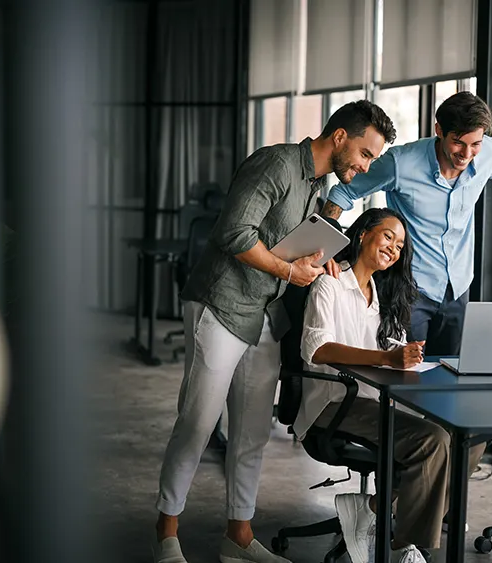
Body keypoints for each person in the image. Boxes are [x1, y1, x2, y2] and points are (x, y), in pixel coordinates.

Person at [153, 101, 398, 563]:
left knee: (252, 433)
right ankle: (165, 533)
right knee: (198, 422)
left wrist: (316, 258)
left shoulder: (317, 184)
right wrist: (289, 269)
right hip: (221, 304)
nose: (366, 167)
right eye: (366, 154)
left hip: (265, 314)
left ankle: (238, 538)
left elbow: (292, 241)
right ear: (341, 137)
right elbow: (235, 233)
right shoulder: (276, 163)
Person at [294, 207, 485, 563]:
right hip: (336, 403)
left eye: (400, 245)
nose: (394, 249)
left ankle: (375, 508)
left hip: (379, 398)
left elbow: (389, 349)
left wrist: (407, 356)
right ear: (363, 234)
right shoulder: (330, 284)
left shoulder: (382, 295)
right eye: (388, 237)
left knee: (468, 434)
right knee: (432, 441)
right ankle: (403, 546)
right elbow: (316, 348)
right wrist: (386, 359)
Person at [320, 91, 492, 356]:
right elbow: (343, 193)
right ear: (439, 130)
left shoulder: (488, 152)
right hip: (409, 289)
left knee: (450, 375)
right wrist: (326, 247)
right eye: (458, 143)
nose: (467, 154)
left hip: (458, 287)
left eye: (475, 144)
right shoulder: (401, 164)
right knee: (407, 375)